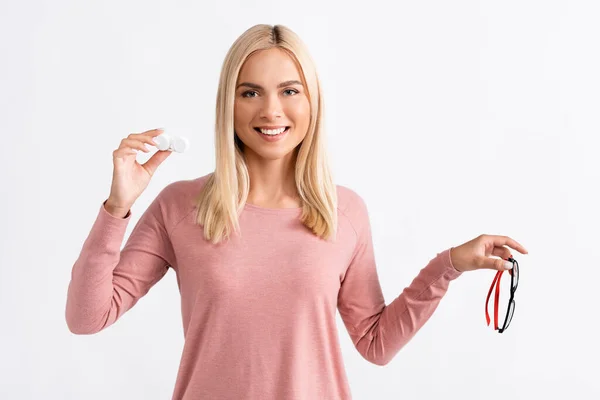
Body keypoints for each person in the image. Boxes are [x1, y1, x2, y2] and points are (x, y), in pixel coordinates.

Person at [65, 24, 528, 400]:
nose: (271, 110)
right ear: (228, 103)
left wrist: (448, 266)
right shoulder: (181, 206)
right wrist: (117, 207)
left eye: (289, 90)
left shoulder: (343, 211)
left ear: (311, 102)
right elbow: (87, 318)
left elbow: (376, 343)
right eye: (249, 93)